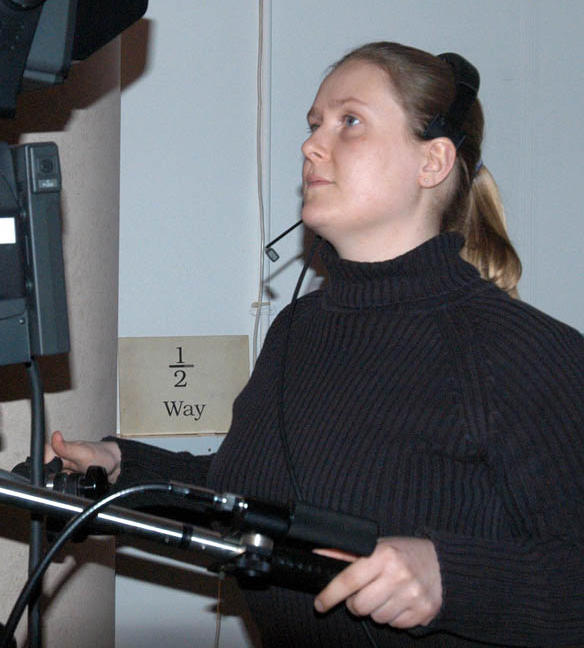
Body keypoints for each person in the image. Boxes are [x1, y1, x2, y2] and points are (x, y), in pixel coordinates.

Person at [47, 42, 584, 647]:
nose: (311, 146)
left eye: (349, 121)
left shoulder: (525, 352)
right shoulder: (297, 328)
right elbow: (249, 495)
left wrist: (448, 577)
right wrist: (123, 469)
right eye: (314, 124)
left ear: (432, 161)